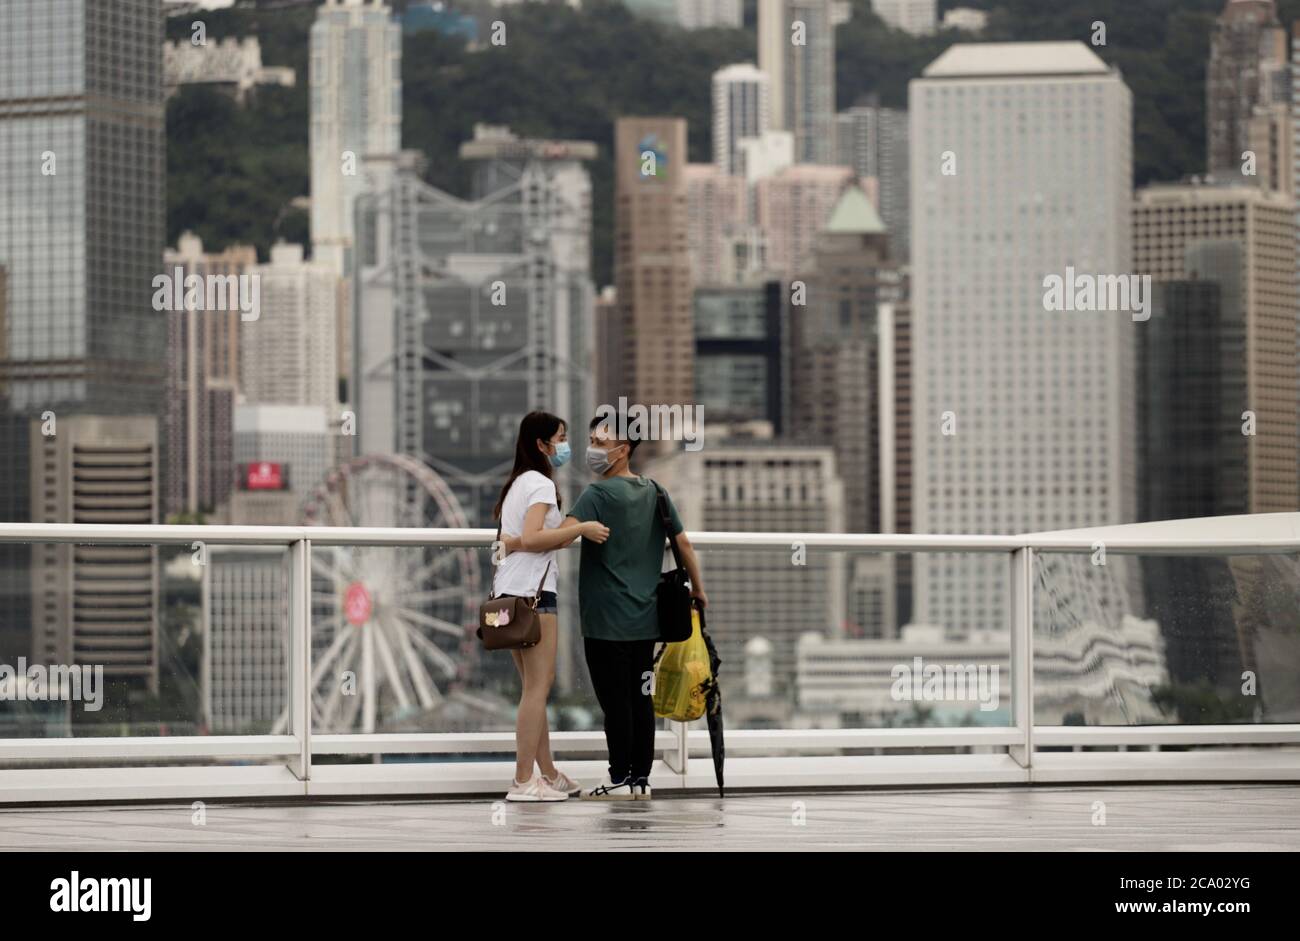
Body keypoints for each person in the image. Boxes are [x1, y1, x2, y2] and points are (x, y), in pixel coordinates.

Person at [563, 413, 707, 801]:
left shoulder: (595, 495)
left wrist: (577, 528)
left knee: (615, 704)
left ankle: (620, 775)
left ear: (622, 450)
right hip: (646, 621)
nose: (593, 448)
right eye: (591, 438)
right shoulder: (656, 491)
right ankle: (641, 778)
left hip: (604, 622)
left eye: (600, 441)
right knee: (642, 699)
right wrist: (699, 589)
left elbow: (560, 536)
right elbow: (684, 544)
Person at [492, 411, 609, 802]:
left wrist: (524, 541)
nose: (565, 445)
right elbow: (534, 536)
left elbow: (527, 538)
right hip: (535, 596)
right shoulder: (540, 483)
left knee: (532, 690)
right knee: (538, 690)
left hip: (508, 595)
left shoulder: (517, 484)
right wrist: (581, 528)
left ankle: (548, 774)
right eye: (559, 438)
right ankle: (524, 781)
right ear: (541, 444)